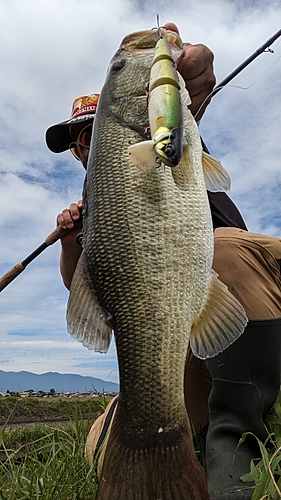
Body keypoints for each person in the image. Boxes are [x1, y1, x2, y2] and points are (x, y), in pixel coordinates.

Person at [46, 23, 281, 500]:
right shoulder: (98, 208)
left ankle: (242, 453)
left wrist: (190, 79)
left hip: (250, 292)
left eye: (93, 130)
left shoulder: (170, 138)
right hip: (190, 338)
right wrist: (74, 241)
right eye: (78, 142)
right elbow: (88, 297)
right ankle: (174, 444)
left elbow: (185, 92)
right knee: (106, 443)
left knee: (226, 250)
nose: (87, 144)